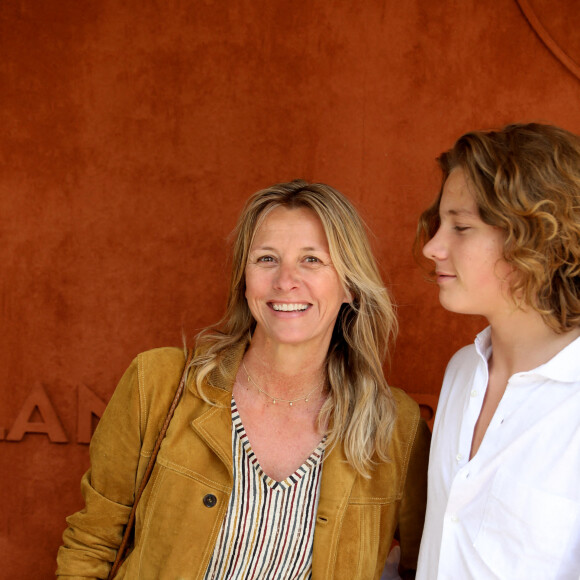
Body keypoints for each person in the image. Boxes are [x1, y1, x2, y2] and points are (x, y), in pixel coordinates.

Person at [57, 179, 430, 579]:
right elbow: (92, 544)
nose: (285, 281)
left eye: (312, 260)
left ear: (350, 287)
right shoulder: (159, 382)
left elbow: (427, 566)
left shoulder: (395, 428)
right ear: (245, 279)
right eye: (266, 259)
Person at [415, 123, 580, 579]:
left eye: (462, 227)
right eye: (440, 224)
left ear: (538, 236)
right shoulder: (462, 371)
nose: (433, 247)